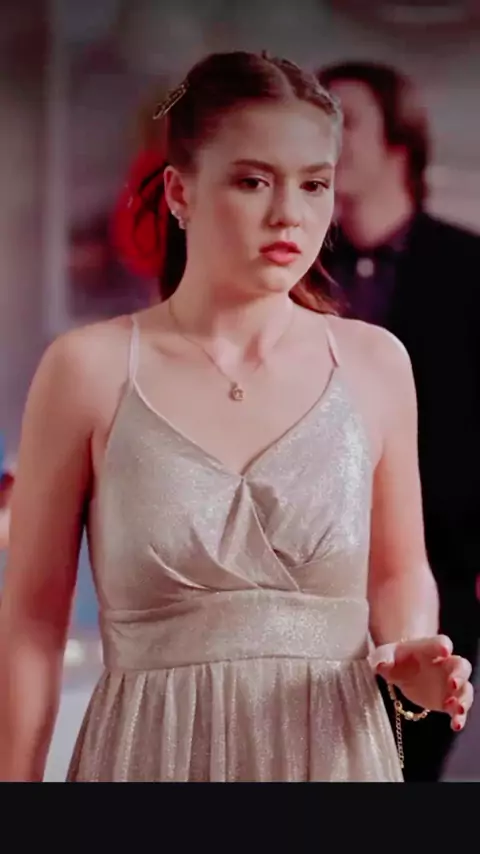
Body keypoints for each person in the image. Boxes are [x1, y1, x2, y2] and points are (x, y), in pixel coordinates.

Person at [0, 51, 474, 783]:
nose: (290, 213)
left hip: (335, 759)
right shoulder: (87, 368)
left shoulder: (375, 363)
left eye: (314, 183)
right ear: (180, 192)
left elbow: (401, 569)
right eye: (253, 181)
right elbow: (32, 620)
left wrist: (413, 651)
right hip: (145, 759)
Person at [316, 59, 480, 781]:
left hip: (442, 573)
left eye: (346, 121)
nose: (327, 141)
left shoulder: (468, 268)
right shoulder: (296, 272)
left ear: (399, 142)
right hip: (311, 575)